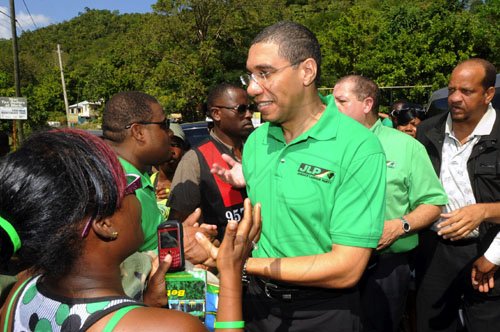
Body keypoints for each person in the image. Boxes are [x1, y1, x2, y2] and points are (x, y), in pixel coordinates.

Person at [0, 129, 260, 331]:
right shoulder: (171, 327)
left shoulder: (19, 294)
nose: (138, 189)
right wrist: (231, 273)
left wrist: (146, 303)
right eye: (128, 184)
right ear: (104, 224)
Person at [216, 21, 385, 331]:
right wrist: (222, 244)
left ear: (307, 71)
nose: (252, 88)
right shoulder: (256, 142)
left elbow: (347, 267)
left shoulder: (358, 146)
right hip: (255, 304)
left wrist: (238, 263)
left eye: (265, 73)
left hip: (323, 312)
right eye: (250, 76)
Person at [333, 75, 448, 332]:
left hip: (385, 268)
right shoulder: (324, 146)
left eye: (341, 101)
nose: (332, 108)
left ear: (367, 104)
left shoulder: (406, 147)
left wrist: (399, 226)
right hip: (330, 262)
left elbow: (433, 203)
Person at [416, 58, 500, 332]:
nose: (454, 98)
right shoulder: (427, 132)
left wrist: (485, 213)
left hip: (490, 249)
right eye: (451, 89)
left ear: (489, 94)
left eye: (466, 91)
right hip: (435, 253)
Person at [102, 91, 216, 265]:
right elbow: (114, 266)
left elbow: (147, 245)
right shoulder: (116, 185)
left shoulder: (136, 178)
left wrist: (181, 236)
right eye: (164, 124)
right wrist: (179, 247)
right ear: (138, 132)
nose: (170, 133)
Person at [168, 83, 254, 241]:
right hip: (220, 259)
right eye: (241, 109)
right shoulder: (194, 159)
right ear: (216, 114)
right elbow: (176, 225)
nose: (248, 114)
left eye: (251, 108)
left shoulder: (258, 150)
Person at [151, 123, 188, 219]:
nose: (171, 150)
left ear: (183, 150)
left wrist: (177, 195)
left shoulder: (190, 182)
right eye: (165, 144)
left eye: (175, 145)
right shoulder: (146, 183)